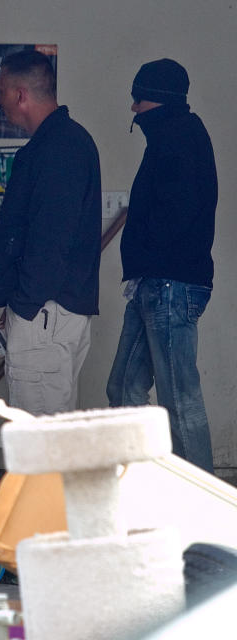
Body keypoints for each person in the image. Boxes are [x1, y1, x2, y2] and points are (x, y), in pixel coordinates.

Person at [106, 59, 217, 472]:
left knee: (180, 401)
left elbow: (176, 214)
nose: (133, 108)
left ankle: (203, 511)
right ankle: (143, 491)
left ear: (158, 100)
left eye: (139, 98)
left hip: (169, 286)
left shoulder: (178, 139)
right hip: (155, 284)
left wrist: (147, 250)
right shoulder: (176, 135)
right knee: (123, 388)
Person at [0, 50, 102, 415]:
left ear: (20, 94)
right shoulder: (59, 143)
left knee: (42, 448)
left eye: (1, 90)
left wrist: (25, 303)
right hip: (49, 313)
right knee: (55, 440)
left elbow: (51, 238)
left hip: (45, 314)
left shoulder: (60, 148)